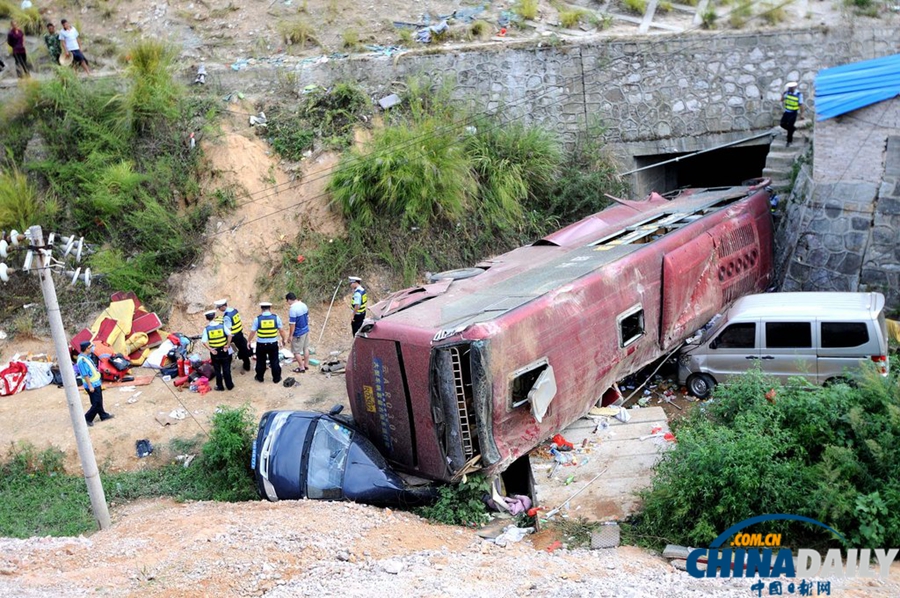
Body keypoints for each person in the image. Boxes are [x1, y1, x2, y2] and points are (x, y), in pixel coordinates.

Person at [247, 301, 286, 384]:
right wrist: (283, 340)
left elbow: (253, 332)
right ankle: (276, 378)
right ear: (270, 308)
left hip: (261, 345)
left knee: (260, 361)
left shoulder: (258, 319)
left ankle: (260, 377)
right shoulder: (276, 318)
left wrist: (249, 341)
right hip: (273, 344)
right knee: (274, 361)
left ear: (261, 309)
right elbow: (281, 330)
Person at [75, 341, 113, 427]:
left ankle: (103, 415)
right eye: (91, 346)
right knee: (96, 403)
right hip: (92, 385)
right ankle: (87, 418)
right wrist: (90, 386)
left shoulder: (87, 357)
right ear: (87, 349)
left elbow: (92, 369)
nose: (92, 348)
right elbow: (85, 374)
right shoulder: (82, 360)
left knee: (98, 401)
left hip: (96, 383)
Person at [214, 298, 252, 372]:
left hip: (234, 336)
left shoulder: (227, 316)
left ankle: (231, 361)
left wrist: (228, 343)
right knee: (243, 349)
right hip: (240, 333)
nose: (219, 309)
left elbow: (229, 331)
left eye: (219, 308)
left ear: (222, 306)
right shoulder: (234, 310)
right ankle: (246, 364)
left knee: (231, 349)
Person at [202, 310, 234, 391]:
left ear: (206, 318)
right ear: (214, 316)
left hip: (215, 352)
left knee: (217, 370)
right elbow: (230, 334)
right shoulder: (222, 326)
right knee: (226, 369)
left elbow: (204, 341)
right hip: (224, 350)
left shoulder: (207, 329)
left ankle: (220, 386)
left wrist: (210, 349)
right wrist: (227, 345)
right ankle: (229, 385)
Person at [286, 292, 310, 374]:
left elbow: (292, 324)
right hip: (306, 330)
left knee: (296, 351)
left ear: (289, 300)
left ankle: (301, 367)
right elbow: (307, 317)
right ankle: (306, 365)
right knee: (305, 348)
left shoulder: (293, 309)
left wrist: (290, 336)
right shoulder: (303, 305)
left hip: (298, 333)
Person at [780, 81, 803, 147]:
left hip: (793, 112)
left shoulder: (798, 94)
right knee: (782, 124)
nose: (789, 88)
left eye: (791, 87)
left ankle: (789, 141)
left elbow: (801, 105)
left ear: (794, 87)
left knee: (790, 126)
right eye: (789, 87)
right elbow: (782, 100)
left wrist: (802, 114)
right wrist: (783, 94)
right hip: (787, 111)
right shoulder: (787, 93)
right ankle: (792, 129)